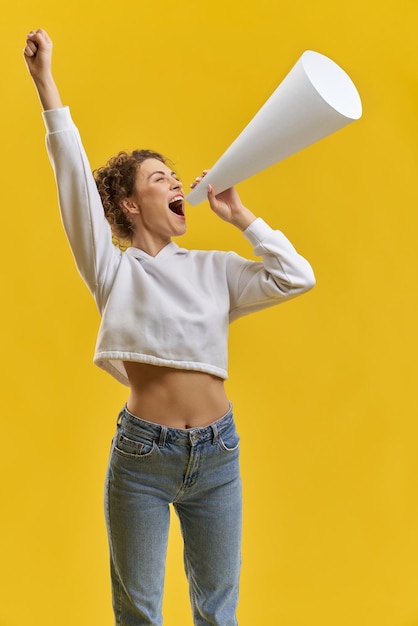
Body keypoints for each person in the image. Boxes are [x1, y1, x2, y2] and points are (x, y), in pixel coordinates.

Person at [23, 28, 315, 626]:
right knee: (138, 613)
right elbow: (74, 183)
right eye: (159, 179)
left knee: (217, 612)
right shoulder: (113, 270)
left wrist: (242, 217)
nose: (177, 184)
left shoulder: (217, 271)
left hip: (218, 455)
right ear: (130, 205)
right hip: (142, 458)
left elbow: (295, 276)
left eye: (175, 176)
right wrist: (45, 83)